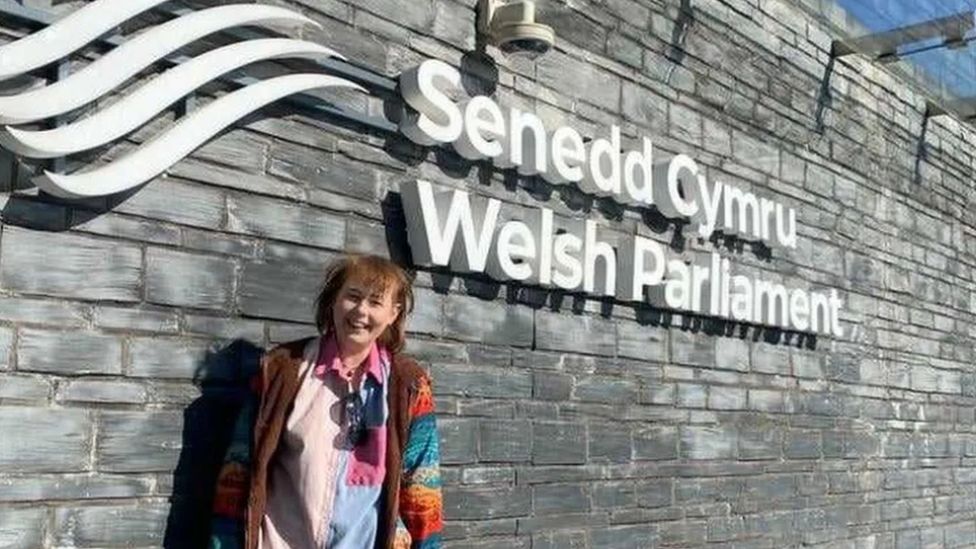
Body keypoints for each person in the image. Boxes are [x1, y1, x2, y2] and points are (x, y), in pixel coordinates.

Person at [209, 254, 443, 549]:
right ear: (334, 300)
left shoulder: (409, 385)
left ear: (393, 314)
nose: (361, 311)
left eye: (375, 302)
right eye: (353, 296)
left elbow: (422, 490)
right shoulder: (282, 370)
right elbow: (237, 472)